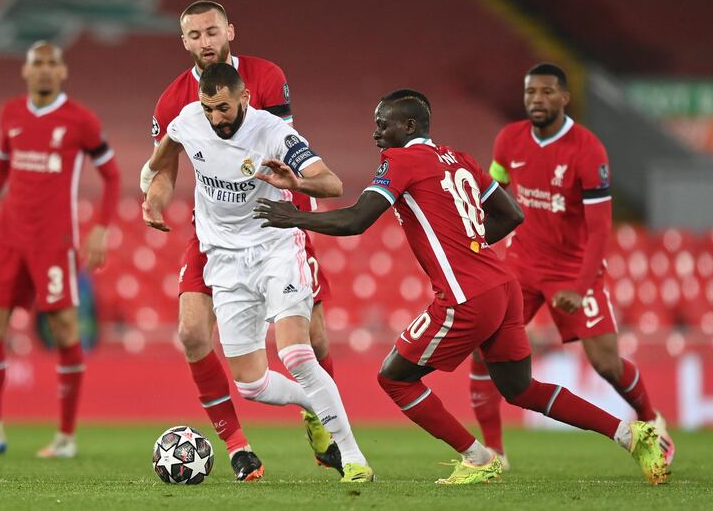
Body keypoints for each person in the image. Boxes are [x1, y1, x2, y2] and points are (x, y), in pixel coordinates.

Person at [254, 89, 669, 486]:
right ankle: (631, 435)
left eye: (383, 124)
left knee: (395, 378)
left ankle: (478, 458)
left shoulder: (400, 161)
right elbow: (511, 215)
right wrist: (469, 244)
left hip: (467, 296)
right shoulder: (459, 158)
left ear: (409, 124)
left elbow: (356, 220)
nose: (376, 133)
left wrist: (294, 216)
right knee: (521, 388)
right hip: (502, 285)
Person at [141, 63, 374, 483]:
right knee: (251, 385)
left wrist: (298, 184)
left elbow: (333, 183)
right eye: (209, 109)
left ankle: (353, 458)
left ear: (244, 98)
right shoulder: (189, 121)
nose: (216, 119)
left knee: (297, 354)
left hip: (275, 249)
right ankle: (318, 404)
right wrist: (150, 181)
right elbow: (167, 149)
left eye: (224, 109)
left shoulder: (273, 133)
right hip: (224, 260)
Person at [468, 63, 674, 468]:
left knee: (606, 363)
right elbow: (494, 191)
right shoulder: (509, 139)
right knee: (484, 345)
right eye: (530, 93)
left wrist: (579, 288)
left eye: (546, 93)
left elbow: (600, 231)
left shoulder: (587, 149)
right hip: (523, 264)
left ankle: (651, 423)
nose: (537, 100)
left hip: (575, 268)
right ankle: (495, 452)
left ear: (564, 98)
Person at [0, 41, 121, 458]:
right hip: (9, 238)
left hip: (53, 240)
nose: (44, 70)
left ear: (62, 72)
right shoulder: (10, 113)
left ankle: (64, 437)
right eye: (37, 64)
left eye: (52, 64)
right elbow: (1, 167)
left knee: (64, 331)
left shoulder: (80, 120)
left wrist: (100, 228)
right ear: (26, 72)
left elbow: (112, 176)